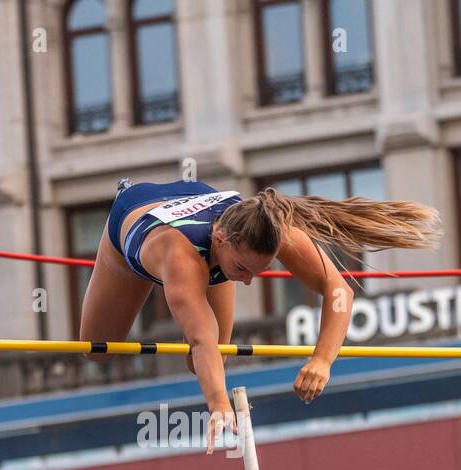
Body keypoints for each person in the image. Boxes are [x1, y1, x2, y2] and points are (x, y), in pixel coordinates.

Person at [80, 178, 440, 453]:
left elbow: (339, 291)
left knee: (205, 362)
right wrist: (219, 405)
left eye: (258, 271)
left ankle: (218, 280)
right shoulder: (180, 255)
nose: (249, 282)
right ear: (221, 239)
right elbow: (201, 336)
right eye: (243, 269)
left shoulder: (268, 228)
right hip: (136, 219)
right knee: (99, 350)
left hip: (205, 219)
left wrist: (322, 360)